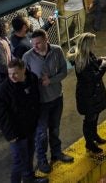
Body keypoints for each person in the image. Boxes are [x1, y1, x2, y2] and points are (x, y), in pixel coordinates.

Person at [22, 29, 72, 174]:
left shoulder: (56, 51)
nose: (35, 46)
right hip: (40, 103)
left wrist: (51, 80)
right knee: (41, 133)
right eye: (33, 44)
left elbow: (64, 71)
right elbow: (24, 80)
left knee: (55, 128)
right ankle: (42, 160)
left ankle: (56, 153)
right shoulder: (27, 57)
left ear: (46, 40)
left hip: (57, 97)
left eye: (38, 43)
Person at [0, 58, 48, 183]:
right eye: (9, 73)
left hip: (30, 127)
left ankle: (29, 179)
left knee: (29, 156)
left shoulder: (32, 79)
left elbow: (35, 99)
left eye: (15, 73)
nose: (12, 76)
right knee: (19, 162)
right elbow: (2, 116)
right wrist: (11, 135)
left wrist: (36, 120)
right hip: (16, 133)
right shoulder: (2, 91)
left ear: (23, 70)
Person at [67, 33, 106, 154]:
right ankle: (89, 143)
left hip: (92, 93)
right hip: (88, 95)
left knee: (94, 116)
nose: (95, 44)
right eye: (93, 42)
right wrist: (104, 67)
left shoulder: (87, 55)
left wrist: (100, 60)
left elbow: (92, 65)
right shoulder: (81, 61)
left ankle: (94, 136)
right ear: (88, 45)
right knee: (89, 119)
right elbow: (93, 77)